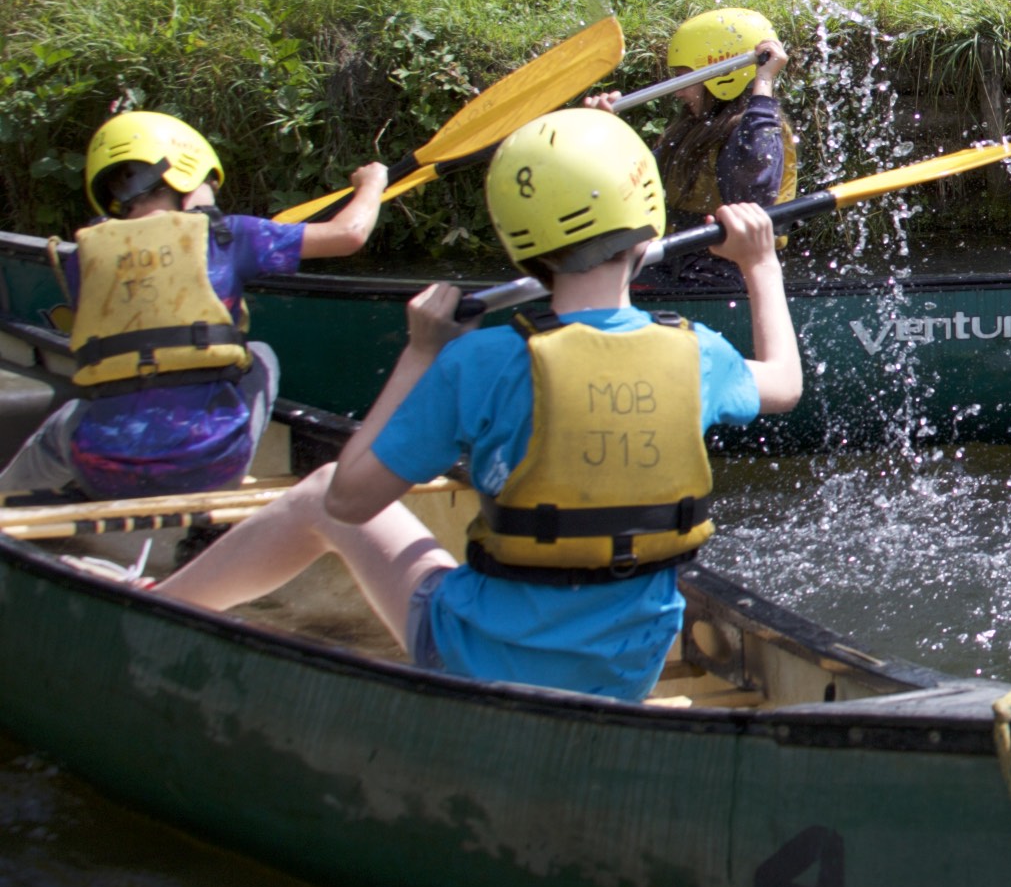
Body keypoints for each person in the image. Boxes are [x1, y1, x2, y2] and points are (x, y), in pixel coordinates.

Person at [156, 108, 803, 700]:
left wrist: (420, 352)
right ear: (649, 218)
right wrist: (760, 264)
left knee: (317, 489)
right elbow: (783, 382)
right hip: (626, 676)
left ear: (520, 242)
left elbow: (348, 500)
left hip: (476, 662)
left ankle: (157, 606)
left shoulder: (481, 361)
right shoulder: (700, 355)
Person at [0, 112, 386, 503]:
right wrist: (373, 183)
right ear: (183, 175)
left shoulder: (83, 257)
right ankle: (215, 507)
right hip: (211, 465)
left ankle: (10, 509)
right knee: (260, 355)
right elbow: (349, 234)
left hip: (101, 467)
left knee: (66, 423)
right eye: (209, 184)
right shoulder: (228, 234)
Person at [588, 6, 795, 292]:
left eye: (685, 78)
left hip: (726, 275)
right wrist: (602, 131)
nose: (678, 91)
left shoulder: (760, 131)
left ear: (722, 76)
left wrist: (763, 81)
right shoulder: (689, 129)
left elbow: (752, 189)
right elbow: (634, 183)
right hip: (668, 263)